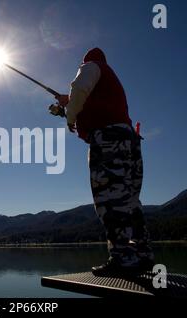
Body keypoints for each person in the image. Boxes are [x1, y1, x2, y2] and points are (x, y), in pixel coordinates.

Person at [56, 48, 154, 276]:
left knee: (109, 198)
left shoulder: (91, 66)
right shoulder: (108, 79)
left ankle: (123, 259)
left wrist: (70, 116)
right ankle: (142, 254)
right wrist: (69, 104)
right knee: (129, 200)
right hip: (128, 138)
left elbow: (79, 89)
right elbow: (85, 98)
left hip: (109, 139)